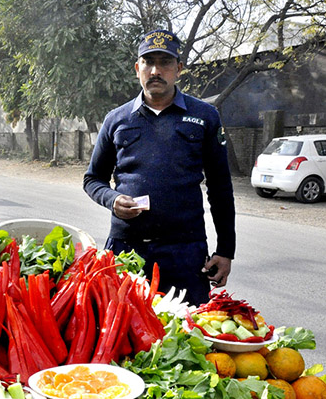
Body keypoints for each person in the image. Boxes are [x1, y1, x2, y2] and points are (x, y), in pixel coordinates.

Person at [83, 29, 235, 306]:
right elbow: (93, 179)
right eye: (148, 62)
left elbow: (221, 188)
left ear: (178, 68)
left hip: (185, 253)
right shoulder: (116, 119)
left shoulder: (204, 116)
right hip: (126, 250)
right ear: (137, 68)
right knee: (121, 334)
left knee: (188, 334)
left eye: (165, 62)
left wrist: (226, 250)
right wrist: (112, 199)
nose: (155, 70)